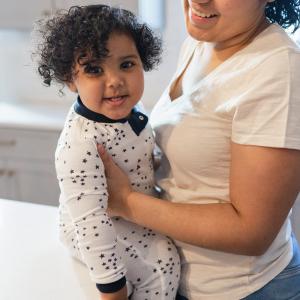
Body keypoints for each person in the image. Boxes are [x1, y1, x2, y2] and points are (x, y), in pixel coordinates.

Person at [96, 0, 300, 299]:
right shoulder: (201, 42)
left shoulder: (279, 69)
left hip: (246, 291)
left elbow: (252, 232)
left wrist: (127, 202)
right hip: (173, 280)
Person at [33, 5, 180, 300]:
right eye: (94, 69)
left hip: (127, 213)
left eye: (127, 64)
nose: (115, 81)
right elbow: (91, 225)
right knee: (162, 262)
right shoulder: (80, 144)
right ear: (70, 79)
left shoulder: (130, 109)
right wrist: (112, 290)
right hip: (89, 227)